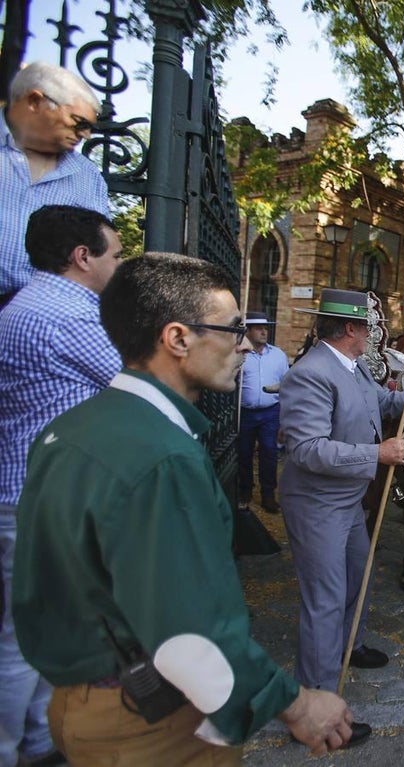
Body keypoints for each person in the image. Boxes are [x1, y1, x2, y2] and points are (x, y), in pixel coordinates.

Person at [11, 253, 356, 763]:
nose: (244, 344)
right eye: (232, 329)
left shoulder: (76, 426)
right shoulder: (161, 457)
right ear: (177, 338)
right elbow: (191, 631)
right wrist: (297, 704)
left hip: (78, 703)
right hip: (149, 720)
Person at [278, 288, 404, 701]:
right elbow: (305, 449)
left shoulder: (355, 366)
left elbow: (383, 401)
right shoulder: (310, 374)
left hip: (348, 500)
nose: (373, 332)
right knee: (324, 599)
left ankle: (350, 645)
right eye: (368, 325)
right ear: (350, 328)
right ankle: (317, 698)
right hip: (317, 505)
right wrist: (376, 453)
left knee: (357, 581)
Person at [0, 205, 122, 767]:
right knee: (26, 643)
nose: (118, 265)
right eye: (115, 255)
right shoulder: (69, 316)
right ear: (82, 257)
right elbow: (137, 385)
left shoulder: (26, 304)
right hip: (43, 499)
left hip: (32, 492)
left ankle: (40, 743)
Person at [1, 62, 109, 307]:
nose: (85, 135)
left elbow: (97, 254)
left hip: (43, 315)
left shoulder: (86, 177)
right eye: (78, 121)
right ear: (35, 102)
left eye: (90, 127)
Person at [238, 310, 289, 513]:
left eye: (265, 328)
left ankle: (268, 494)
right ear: (248, 331)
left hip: (271, 411)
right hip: (245, 413)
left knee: (269, 451)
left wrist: (285, 417)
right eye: (259, 328)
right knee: (244, 453)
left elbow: (287, 385)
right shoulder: (240, 354)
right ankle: (245, 490)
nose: (264, 332)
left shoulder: (278, 355)